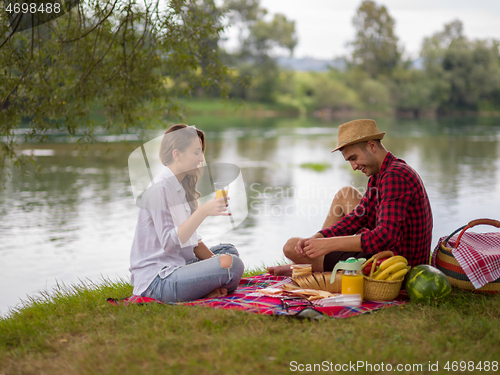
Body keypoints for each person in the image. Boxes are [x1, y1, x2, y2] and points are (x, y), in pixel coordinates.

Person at [268, 119, 433, 276]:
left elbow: (385, 237)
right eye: (349, 161)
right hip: (388, 256)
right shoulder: (381, 173)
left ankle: (305, 267)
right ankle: (310, 263)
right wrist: (320, 237)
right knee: (345, 195)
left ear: (371, 146)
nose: (354, 167)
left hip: (395, 268)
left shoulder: (395, 175)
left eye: (354, 158)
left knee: (290, 247)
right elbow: (358, 217)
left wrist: (327, 245)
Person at [129, 124, 244, 302]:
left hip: (176, 265)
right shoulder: (159, 189)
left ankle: (207, 287)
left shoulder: (178, 186)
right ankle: (206, 289)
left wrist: (215, 266)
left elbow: (193, 242)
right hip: (157, 281)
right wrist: (204, 211)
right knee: (233, 265)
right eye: (196, 153)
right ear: (177, 154)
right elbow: (168, 243)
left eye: (201, 152)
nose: (201, 159)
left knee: (228, 251)